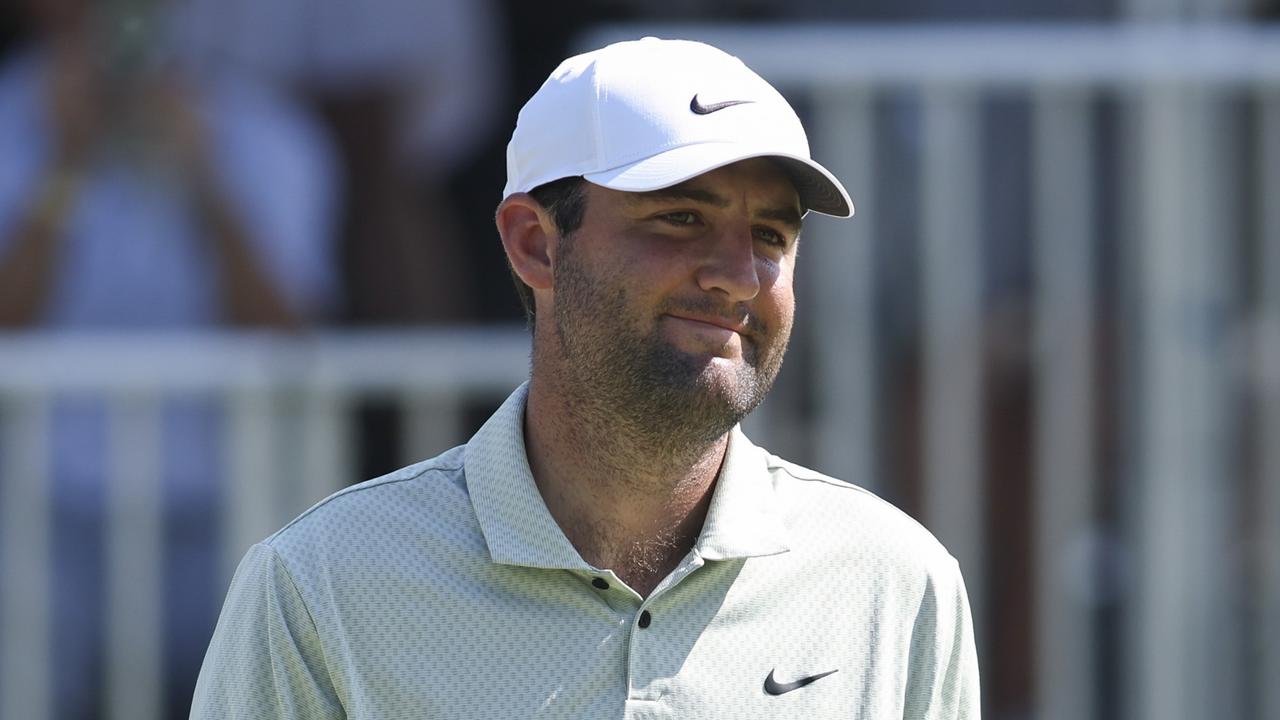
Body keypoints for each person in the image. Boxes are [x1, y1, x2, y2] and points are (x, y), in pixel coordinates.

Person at [190, 37, 980, 718]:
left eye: (770, 234)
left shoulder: (893, 585)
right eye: (681, 218)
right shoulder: (320, 587)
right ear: (535, 244)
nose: (740, 275)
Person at [0, 1, 337, 717]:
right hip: (41, 509)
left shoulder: (266, 132)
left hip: (226, 510)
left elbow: (287, 338)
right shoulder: (12, 120)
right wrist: (65, 163)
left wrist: (205, 183)